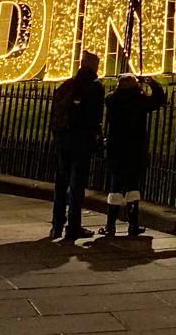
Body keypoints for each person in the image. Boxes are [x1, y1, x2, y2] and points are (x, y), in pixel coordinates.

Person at [99, 73, 167, 236]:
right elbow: (159, 100)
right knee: (133, 186)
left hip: (116, 148)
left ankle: (110, 226)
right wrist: (151, 83)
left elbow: (109, 97)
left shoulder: (112, 100)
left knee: (115, 186)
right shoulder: (139, 101)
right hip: (135, 149)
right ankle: (133, 225)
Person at [49, 51, 104, 240]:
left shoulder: (67, 85)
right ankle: (73, 226)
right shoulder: (94, 87)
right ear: (94, 66)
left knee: (61, 184)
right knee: (76, 186)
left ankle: (56, 225)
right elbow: (95, 117)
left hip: (63, 140)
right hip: (81, 141)